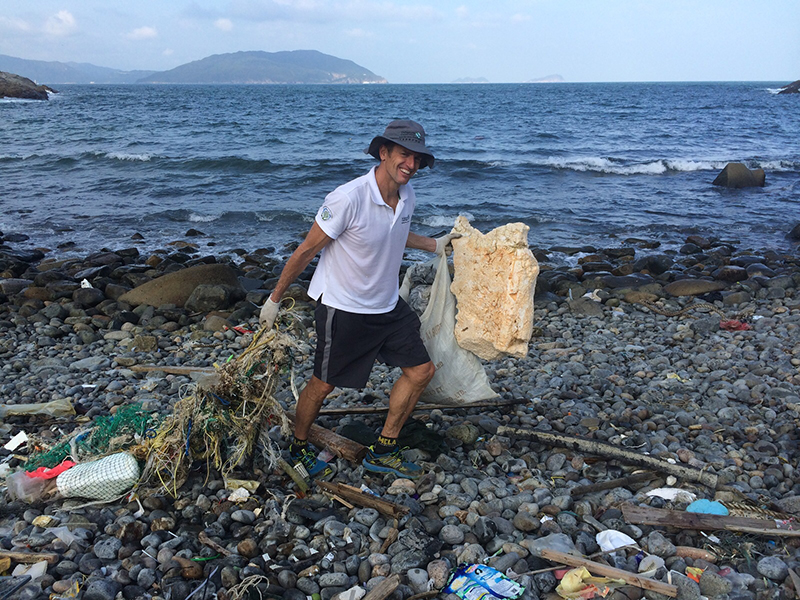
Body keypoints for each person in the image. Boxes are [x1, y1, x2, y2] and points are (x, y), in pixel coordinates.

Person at [259, 119, 459, 480]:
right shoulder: (347, 198)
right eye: (403, 155)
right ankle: (298, 448)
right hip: (344, 306)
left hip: (386, 305)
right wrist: (274, 299)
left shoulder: (406, 195)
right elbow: (307, 250)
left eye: (417, 158)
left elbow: (395, 231)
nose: (411, 165)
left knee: (421, 371)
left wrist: (434, 244)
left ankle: (384, 449)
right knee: (324, 384)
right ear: (384, 153)